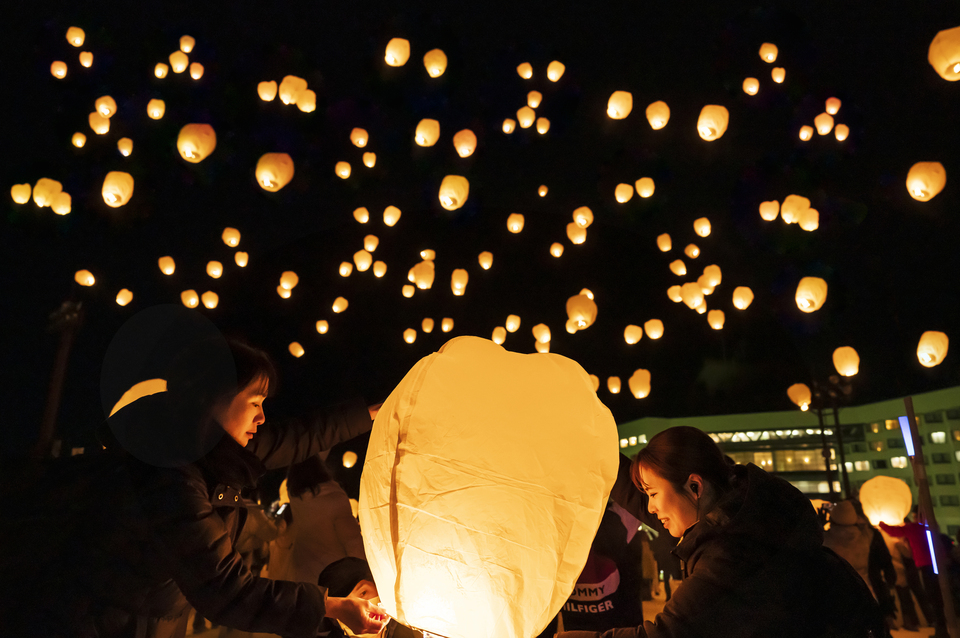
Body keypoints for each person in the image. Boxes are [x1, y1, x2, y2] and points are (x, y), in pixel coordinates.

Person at [8, 338, 387, 638]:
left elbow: (299, 436)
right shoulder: (168, 473)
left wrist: (377, 413)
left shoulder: (209, 454)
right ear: (214, 399)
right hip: (94, 624)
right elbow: (225, 588)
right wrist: (333, 607)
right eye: (254, 402)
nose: (262, 416)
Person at [558, 426, 884, 638]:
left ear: (695, 485)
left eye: (654, 493)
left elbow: (668, 635)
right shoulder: (743, 512)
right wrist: (585, 449)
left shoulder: (734, 554)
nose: (652, 508)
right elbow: (638, 498)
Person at [268, 455, 367, 584]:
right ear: (322, 470)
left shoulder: (296, 503)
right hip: (335, 575)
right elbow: (352, 540)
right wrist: (364, 573)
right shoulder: (334, 499)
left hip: (303, 575)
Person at [881, 512, 949, 638]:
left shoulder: (914, 528)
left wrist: (881, 523)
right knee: (937, 595)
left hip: (925, 565)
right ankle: (940, 625)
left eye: (915, 515)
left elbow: (893, 531)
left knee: (932, 595)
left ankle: (939, 626)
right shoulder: (931, 528)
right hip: (937, 564)